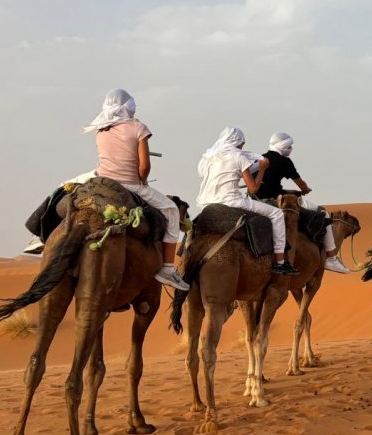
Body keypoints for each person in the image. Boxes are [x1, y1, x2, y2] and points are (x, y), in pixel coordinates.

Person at [74, 89, 192, 290]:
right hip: (130, 184)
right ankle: (168, 269)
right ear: (129, 107)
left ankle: (39, 237)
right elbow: (144, 167)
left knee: (67, 188)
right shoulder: (138, 127)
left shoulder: (100, 129)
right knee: (172, 210)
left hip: (102, 179)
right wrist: (142, 181)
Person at [197, 127, 299, 275]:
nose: (242, 147)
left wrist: (257, 166)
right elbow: (252, 190)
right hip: (232, 201)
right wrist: (262, 169)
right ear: (237, 143)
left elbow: (225, 171)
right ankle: (280, 262)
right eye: (242, 144)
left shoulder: (208, 158)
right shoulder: (239, 157)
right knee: (276, 214)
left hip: (207, 203)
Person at [254, 132, 350, 274]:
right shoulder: (284, 162)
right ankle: (331, 257)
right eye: (289, 146)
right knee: (323, 213)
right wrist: (305, 189)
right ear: (283, 146)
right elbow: (301, 184)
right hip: (276, 200)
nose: (291, 148)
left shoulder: (260, 158)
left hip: (255, 200)